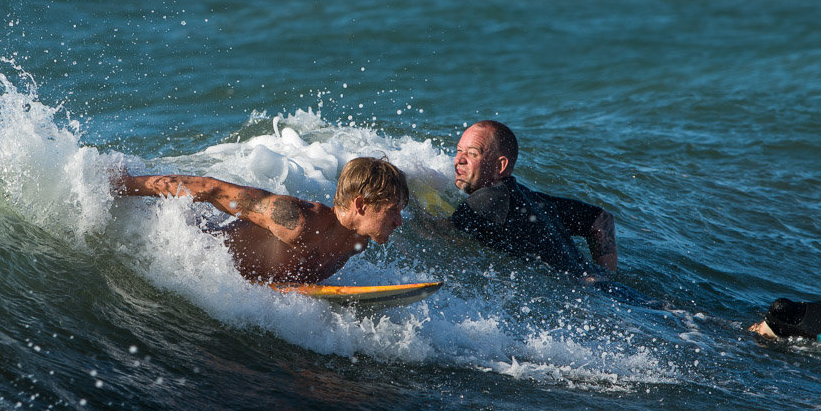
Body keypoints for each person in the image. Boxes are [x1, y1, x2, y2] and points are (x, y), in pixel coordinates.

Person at [110, 156, 408, 284]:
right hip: (200, 247)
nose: (398, 222)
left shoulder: (359, 241)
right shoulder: (299, 219)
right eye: (392, 210)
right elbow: (212, 189)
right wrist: (126, 185)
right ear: (360, 204)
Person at [448, 120, 617, 278]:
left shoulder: (488, 198)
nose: (459, 160)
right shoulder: (531, 200)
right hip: (608, 292)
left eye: (472, 153)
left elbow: (441, 235)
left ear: (500, 166)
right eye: (458, 151)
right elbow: (600, 219)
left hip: (583, 293)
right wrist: (604, 277)